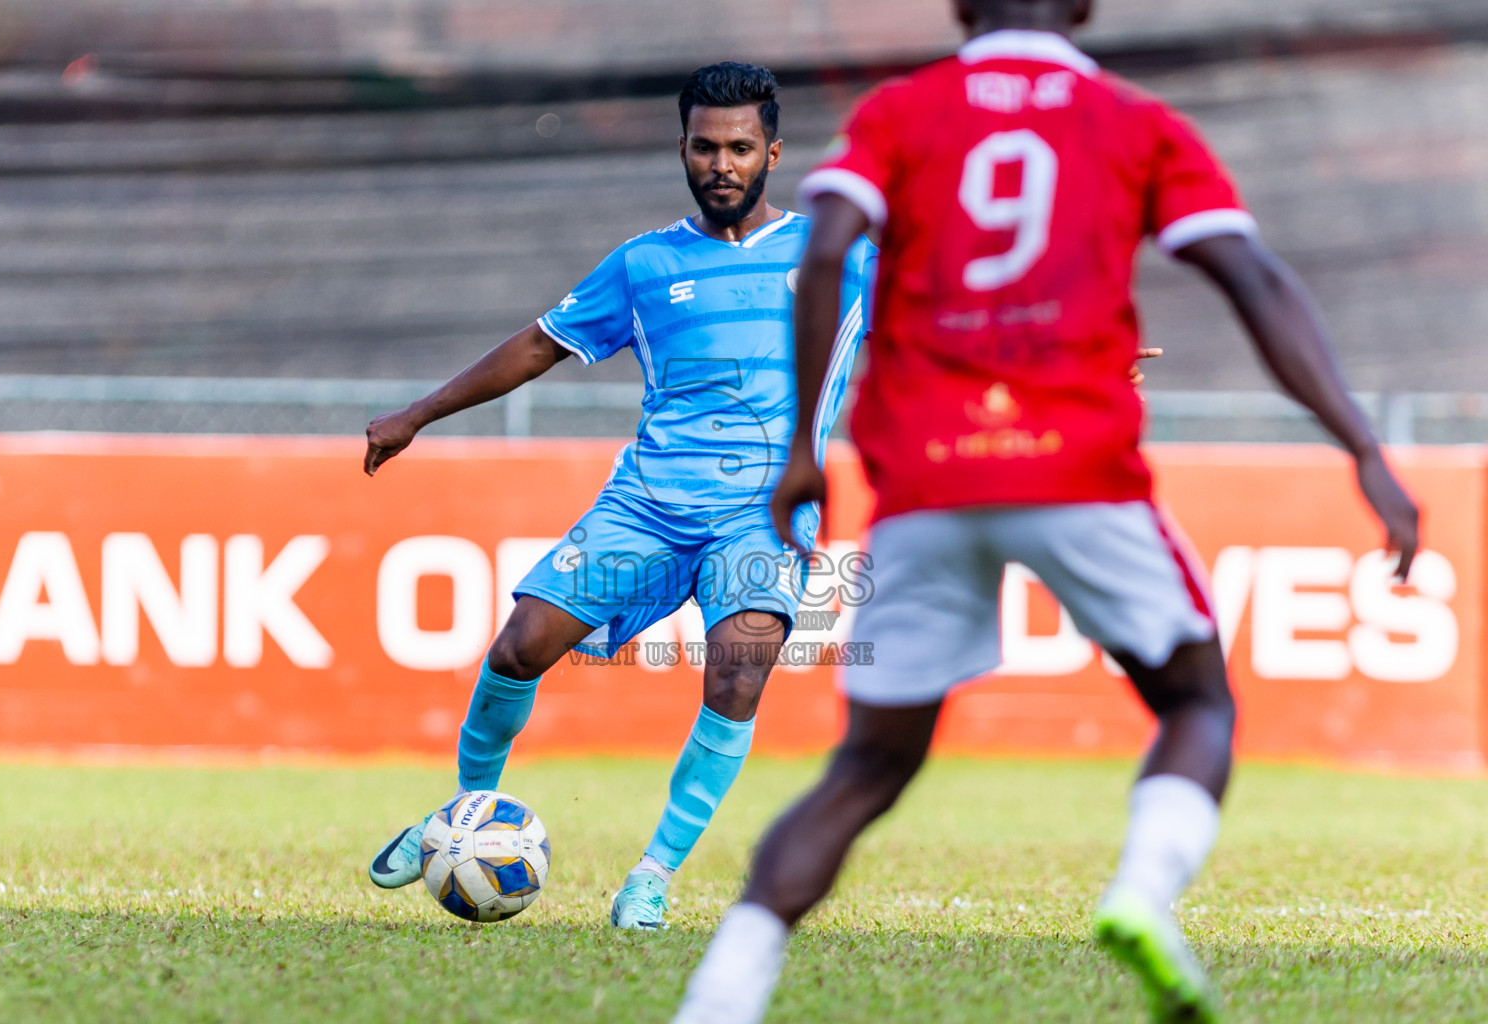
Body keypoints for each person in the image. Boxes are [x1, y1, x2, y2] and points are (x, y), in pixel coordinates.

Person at [670, 2, 1420, 1021]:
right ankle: (1143, 894)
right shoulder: (1136, 121)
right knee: (1198, 702)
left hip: (928, 480)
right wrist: (1363, 445)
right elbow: (1254, 277)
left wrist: (804, 447)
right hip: (1080, 469)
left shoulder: (901, 113)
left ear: (961, 6)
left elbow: (825, 246)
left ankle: (720, 997)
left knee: (868, 767)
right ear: (1083, 6)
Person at [361, 62, 877, 930]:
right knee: (521, 646)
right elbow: (538, 346)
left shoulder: (837, 255)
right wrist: (418, 414)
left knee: (740, 672)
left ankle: (650, 879)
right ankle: (463, 816)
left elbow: (950, 313)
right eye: (706, 146)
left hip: (763, 510)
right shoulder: (644, 264)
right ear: (683, 149)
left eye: (740, 147)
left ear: (773, 153)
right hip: (647, 505)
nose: (722, 163)